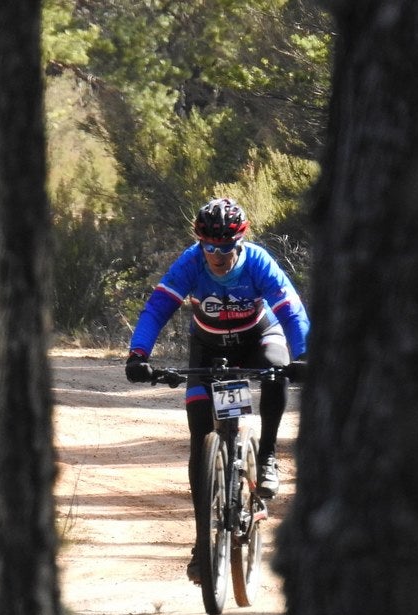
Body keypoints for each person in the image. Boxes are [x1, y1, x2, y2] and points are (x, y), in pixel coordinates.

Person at [124, 197, 309, 581]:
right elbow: (158, 306)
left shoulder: (257, 262)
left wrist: (304, 354)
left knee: (277, 369)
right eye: (211, 246)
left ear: (239, 242)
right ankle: (200, 543)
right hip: (207, 349)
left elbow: (289, 309)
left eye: (226, 247)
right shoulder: (190, 262)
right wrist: (138, 354)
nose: (218, 254)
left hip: (258, 337)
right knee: (199, 438)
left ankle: (269, 455)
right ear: (200, 243)